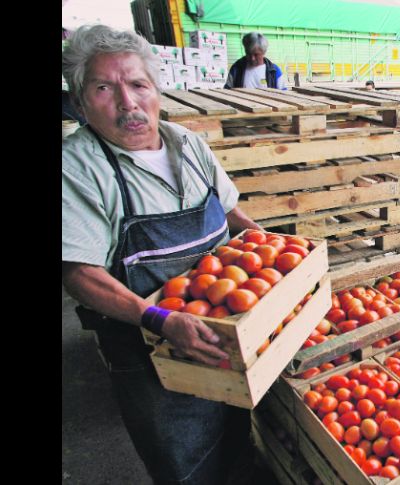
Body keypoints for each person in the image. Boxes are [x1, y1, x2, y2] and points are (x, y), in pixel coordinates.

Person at [62, 25, 263, 484]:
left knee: (239, 437)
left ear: (156, 90)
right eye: (103, 88)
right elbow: (77, 271)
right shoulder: (78, 168)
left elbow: (230, 209)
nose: (127, 103)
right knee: (186, 459)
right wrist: (160, 319)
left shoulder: (187, 143)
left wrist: (275, 246)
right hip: (149, 347)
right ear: (79, 103)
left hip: (224, 326)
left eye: (137, 84)